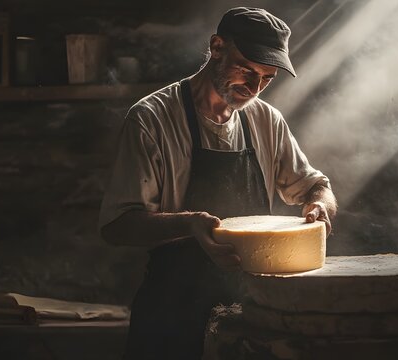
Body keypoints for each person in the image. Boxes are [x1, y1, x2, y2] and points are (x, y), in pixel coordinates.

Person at [97, 6, 337, 360]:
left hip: (251, 314)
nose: (255, 88)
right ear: (217, 47)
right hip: (172, 315)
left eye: (267, 78)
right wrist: (189, 224)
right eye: (247, 71)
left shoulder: (266, 120)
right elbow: (117, 226)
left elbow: (318, 186)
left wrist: (321, 207)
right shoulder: (152, 119)